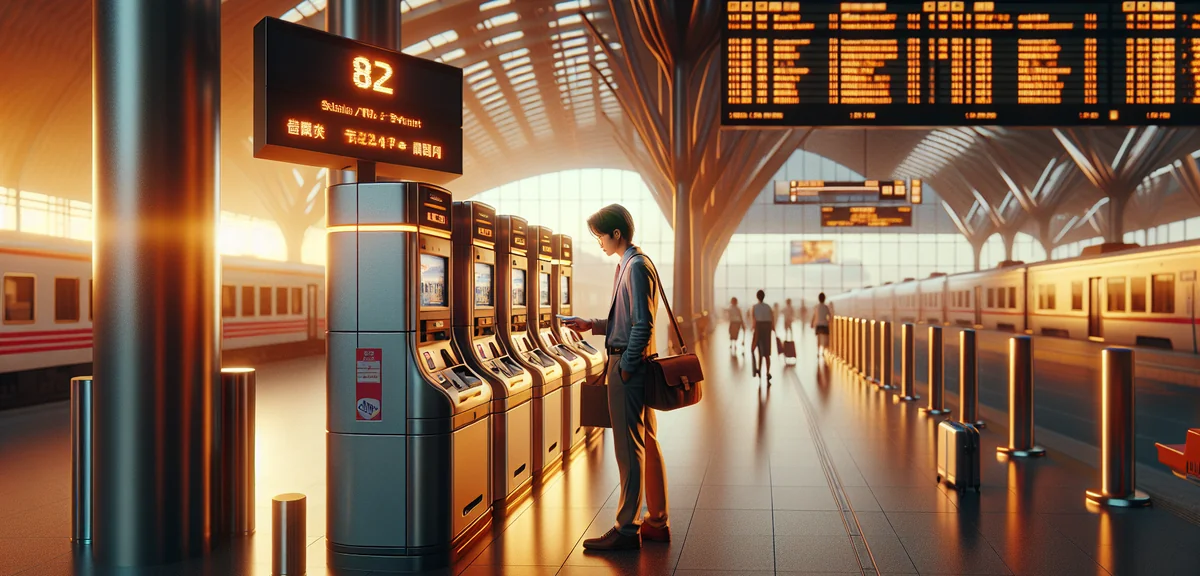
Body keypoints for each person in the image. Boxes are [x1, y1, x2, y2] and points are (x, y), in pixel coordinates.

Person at [560, 204, 669, 551]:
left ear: (616, 234)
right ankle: (656, 521)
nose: (599, 244)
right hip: (631, 363)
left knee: (628, 448)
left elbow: (643, 324)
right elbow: (626, 322)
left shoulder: (635, 267)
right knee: (646, 442)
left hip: (628, 368)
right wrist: (592, 325)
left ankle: (625, 529)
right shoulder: (634, 263)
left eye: (600, 237)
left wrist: (624, 366)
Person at [751, 290, 775, 383]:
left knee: (759, 352)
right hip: (767, 328)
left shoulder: (754, 307)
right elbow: (772, 320)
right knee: (767, 353)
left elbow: (754, 321)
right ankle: (768, 372)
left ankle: (759, 370)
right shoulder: (768, 307)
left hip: (759, 329)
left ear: (757, 297)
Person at [811, 292, 832, 357]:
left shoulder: (816, 307)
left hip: (818, 325)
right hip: (825, 325)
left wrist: (812, 323)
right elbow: (829, 316)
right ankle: (823, 352)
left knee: (819, 339)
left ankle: (818, 352)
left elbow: (814, 316)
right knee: (825, 339)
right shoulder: (826, 307)